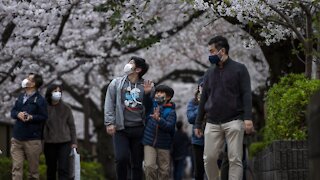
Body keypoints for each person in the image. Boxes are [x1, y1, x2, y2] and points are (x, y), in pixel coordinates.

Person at [194, 36, 254, 180]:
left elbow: (246, 93)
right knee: (208, 158)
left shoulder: (240, 69)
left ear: (222, 51)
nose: (210, 54)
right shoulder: (208, 73)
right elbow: (204, 98)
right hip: (212, 121)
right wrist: (198, 122)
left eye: (212, 51)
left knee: (235, 158)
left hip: (234, 120)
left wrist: (248, 118)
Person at [104, 56, 153, 180]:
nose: (128, 64)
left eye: (132, 63)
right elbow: (109, 103)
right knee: (121, 158)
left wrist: (147, 95)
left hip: (139, 129)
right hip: (121, 128)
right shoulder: (116, 83)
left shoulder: (147, 85)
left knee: (137, 162)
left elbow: (150, 109)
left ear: (138, 69)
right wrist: (109, 122)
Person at [10, 73, 48, 180]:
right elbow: (13, 111)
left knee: (33, 172)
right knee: (16, 169)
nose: (25, 79)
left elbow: (44, 117)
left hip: (32, 140)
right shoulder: (21, 97)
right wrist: (17, 114)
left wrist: (31, 117)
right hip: (17, 138)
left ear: (33, 84)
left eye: (28, 79)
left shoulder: (40, 100)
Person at [142, 84, 176, 180]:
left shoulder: (171, 112)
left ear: (168, 97)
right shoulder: (151, 106)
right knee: (149, 166)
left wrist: (159, 120)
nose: (158, 94)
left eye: (161, 93)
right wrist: (147, 93)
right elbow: (146, 102)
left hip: (164, 144)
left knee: (164, 170)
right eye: (157, 92)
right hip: (149, 142)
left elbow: (169, 127)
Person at [43, 84, 77, 180]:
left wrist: (74, 142)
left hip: (64, 142)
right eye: (55, 91)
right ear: (49, 93)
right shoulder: (44, 108)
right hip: (49, 143)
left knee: (63, 168)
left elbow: (72, 126)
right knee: (51, 168)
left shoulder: (66, 108)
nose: (57, 93)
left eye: (59, 91)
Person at [187, 78, 206, 180]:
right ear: (198, 87)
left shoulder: (215, 100)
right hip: (198, 140)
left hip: (215, 138)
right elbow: (190, 118)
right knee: (199, 169)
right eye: (202, 86)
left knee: (213, 166)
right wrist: (202, 104)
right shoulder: (193, 102)